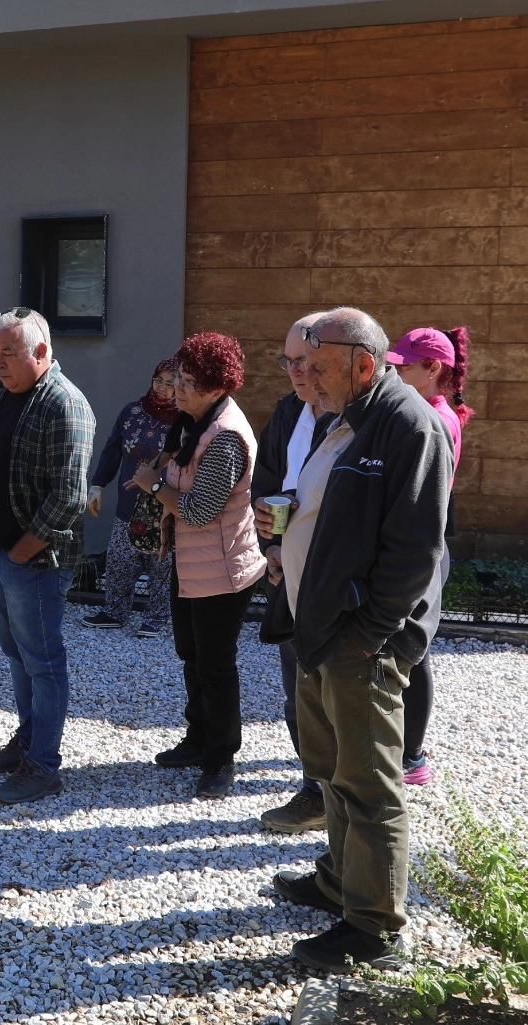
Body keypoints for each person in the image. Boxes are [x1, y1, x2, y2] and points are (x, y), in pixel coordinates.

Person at [261, 307, 452, 972]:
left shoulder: (408, 425)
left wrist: (370, 636)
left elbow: (415, 552)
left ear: (362, 365)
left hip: (357, 643)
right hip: (321, 633)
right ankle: (339, 880)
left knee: (368, 783)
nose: (303, 377)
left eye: (316, 366)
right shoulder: (346, 415)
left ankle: (372, 928)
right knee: (334, 773)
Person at [135, 333, 266, 800]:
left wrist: (153, 486)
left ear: (217, 387)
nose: (178, 389)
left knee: (215, 665)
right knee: (191, 656)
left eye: (190, 382)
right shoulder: (192, 422)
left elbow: (197, 510)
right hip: (192, 565)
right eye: (178, 379)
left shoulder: (226, 434)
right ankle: (198, 739)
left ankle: (221, 759)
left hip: (225, 571)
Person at [0, 308, 94, 804]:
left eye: (10, 353)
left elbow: (68, 495)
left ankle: (44, 764)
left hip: (34, 561)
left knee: (42, 661)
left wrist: (23, 551)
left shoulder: (64, 405)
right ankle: (27, 742)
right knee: (18, 656)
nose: (0, 363)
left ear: (41, 353)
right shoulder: (7, 396)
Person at [256, 315, 335, 834]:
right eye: (288, 362)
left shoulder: (360, 418)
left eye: (304, 362)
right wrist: (271, 543)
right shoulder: (289, 411)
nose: (295, 372)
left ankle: (343, 796)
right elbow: (266, 480)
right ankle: (313, 789)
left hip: (336, 579)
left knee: (339, 693)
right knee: (298, 689)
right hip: (289, 570)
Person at [388, 325, 472, 787]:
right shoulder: (429, 409)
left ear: (433, 368)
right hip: (424, 543)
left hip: (423, 546)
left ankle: (413, 757)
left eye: (405, 364)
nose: (395, 370)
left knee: (413, 649)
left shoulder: (435, 417)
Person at [82, 359, 177, 639]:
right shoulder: (132, 412)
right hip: (128, 504)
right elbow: (112, 450)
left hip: (164, 506)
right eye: (158, 380)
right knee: (120, 560)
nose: (162, 388)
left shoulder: (185, 419)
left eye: (170, 384)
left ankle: (159, 618)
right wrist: (98, 485)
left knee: (163, 564)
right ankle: (114, 611)